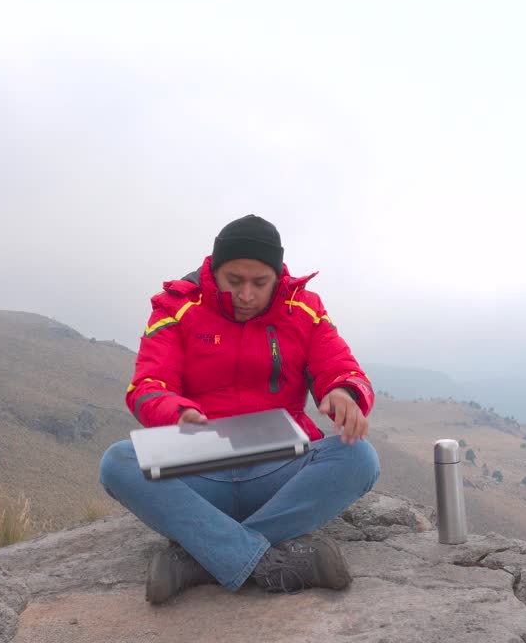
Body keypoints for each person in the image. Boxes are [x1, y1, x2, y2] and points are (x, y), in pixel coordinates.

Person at [99, 214, 380, 604]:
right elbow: (147, 386)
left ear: (277, 276)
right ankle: (268, 559)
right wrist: (176, 412)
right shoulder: (177, 307)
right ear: (214, 271)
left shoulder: (304, 310)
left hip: (278, 471)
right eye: (235, 281)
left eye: (259, 283)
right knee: (118, 462)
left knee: (359, 456)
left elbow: (340, 368)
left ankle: (200, 559)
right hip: (198, 465)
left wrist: (345, 394)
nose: (247, 294)